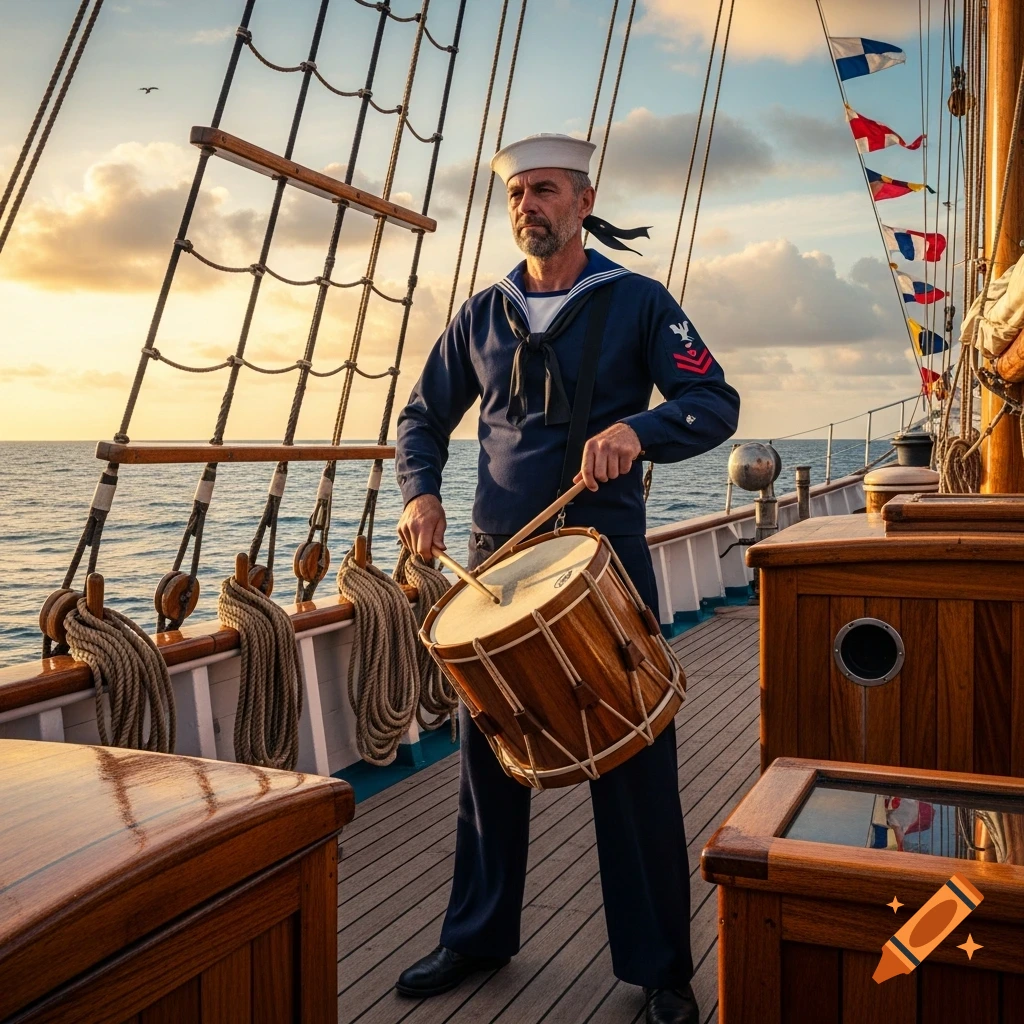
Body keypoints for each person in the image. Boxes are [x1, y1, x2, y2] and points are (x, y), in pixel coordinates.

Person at [393, 132, 740, 1024]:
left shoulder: (636, 302)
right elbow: (421, 416)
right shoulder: (481, 314)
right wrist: (421, 495)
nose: (527, 207)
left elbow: (714, 403)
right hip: (496, 566)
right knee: (490, 758)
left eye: (544, 191)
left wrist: (643, 432)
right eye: (516, 195)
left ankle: (662, 968)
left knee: (631, 758)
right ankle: (476, 936)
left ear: (584, 202)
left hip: (601, 565)